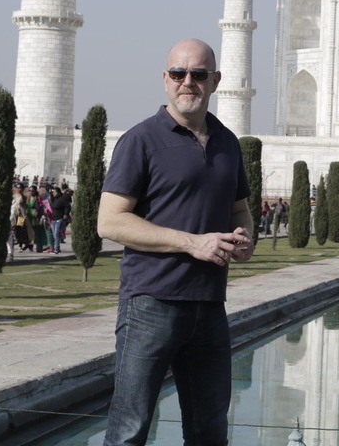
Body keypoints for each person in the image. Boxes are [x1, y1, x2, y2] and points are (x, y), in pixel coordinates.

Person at [97, 38, 254, 446]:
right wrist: (191, 243)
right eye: (179, 73)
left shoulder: (227, 143)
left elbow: (239, 211)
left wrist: (245, 240)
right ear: (165, 79)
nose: (188, 82)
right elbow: (109, 222)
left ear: (215, 81)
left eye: (198, 74)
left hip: (208, 305)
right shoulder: (141, 140)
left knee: (209, 429)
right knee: (130, 429)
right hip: (152, 302)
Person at [47, 186, 70, 254]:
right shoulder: (54, 199)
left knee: (57, 234)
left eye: (55, 192)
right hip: (53, 219)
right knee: (55, 235)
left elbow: (68, 206)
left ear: (59, 193)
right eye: (53, 192)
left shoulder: (62, 199)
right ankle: (57, 248)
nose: (53, 193)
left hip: (59, 219)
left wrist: (65, 214)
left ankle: (56, 249)